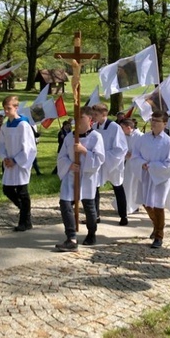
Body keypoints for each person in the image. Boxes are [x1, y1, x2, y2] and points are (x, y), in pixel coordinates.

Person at [55, 106, 105, 252]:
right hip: (71, 175)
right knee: (65, 203)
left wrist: (84, 152)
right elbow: (61, 156)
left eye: (80, 119)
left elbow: (99, 158)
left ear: (89, 120)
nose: (77, 122)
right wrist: (69, 165)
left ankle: (91, 233)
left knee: (89, 206)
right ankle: (71, 237)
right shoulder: (70, 137)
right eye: (75, 119)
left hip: (87, 177)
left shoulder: (96, 137)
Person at [131, 110, 170, 249]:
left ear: (164, 124)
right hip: (146, 175)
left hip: (160, 177)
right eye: (152, 120)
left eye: (157, 121)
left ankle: (159, 235)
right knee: (147, 203)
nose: (154, 123)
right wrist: (142, 163)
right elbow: (135, 154)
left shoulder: (168, 142)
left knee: (158, 205)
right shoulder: (143, 138)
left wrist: (153, 165)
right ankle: (156, 225)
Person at [0, 96, 37, 232]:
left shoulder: (23, 125)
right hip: (9, 163)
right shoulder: (5, 126)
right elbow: (1, 144)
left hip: (20, 163)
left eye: (8, 108)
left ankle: (24, 221)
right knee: (7, 189)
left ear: (16, 108)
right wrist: (5, 157)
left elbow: (29, 147)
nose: (6, 111)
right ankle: (25, 211)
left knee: (22, 191)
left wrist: (16, 160)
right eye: (5, 109)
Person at [92, 103, 129, 225]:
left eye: (96, 114)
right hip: (99, 163)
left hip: (113, 164)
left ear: (104, 114)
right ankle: (95, 215)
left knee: (117, 187)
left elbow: (121, 148)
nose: (94, 116)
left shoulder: (114, 127)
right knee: (95, 187)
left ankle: (123, 215)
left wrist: (105, 156)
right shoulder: (94, 126)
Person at [119, 118, 143, 215]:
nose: (121, 130)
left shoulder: (140, 136)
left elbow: (144, 150)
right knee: (127, 184)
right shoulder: (125, 136)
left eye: (122, 128)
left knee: (135, 185)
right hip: (128, 164)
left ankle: (134, 205)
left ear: (129, 128)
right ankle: (128, 205)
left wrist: (133, 155)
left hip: (137, 164)